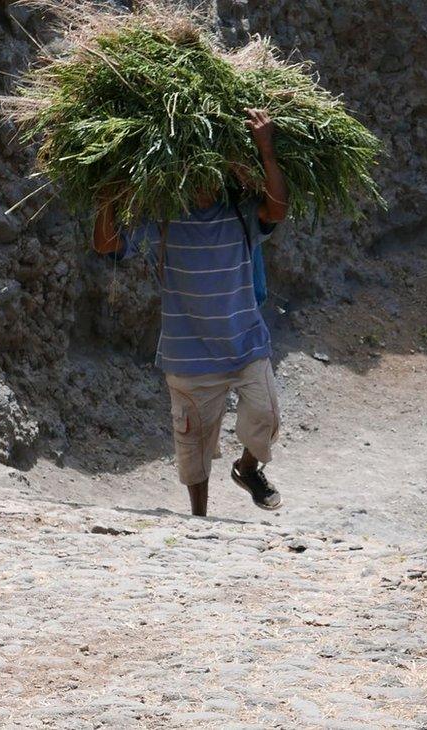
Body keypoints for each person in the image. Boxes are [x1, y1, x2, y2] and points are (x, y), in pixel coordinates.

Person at [92, 108, 288, 516]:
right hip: (189, 356)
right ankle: (199, 520)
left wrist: (266, 150)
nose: (203, 184)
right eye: (194, 174)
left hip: (245, 345)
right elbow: (106, 245)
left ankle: (248, 469)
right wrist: (108, 190)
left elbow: (277, 210)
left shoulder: (240, 215)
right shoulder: (162, 223)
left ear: (224, 176)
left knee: (267, 415)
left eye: (211, 174)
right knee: (193, 445)